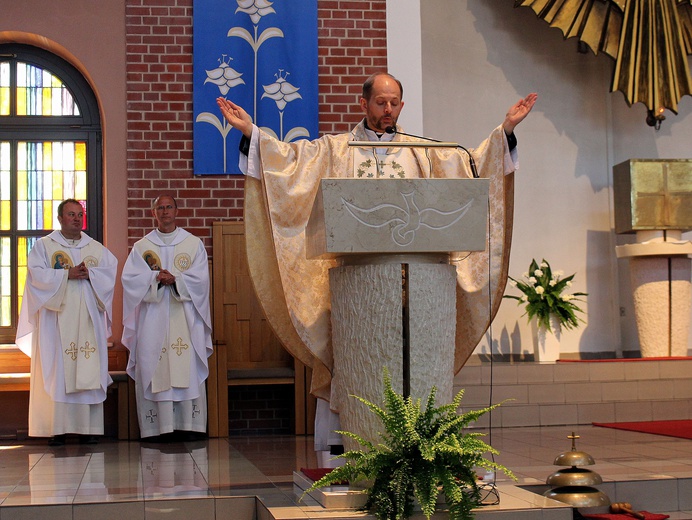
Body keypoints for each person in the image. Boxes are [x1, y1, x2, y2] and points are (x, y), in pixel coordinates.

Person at [217, 72, 536, 452]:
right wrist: (252, 132)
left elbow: (473, 166)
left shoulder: (426, 152)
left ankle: (419, 447)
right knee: (361, 363)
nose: (389, 109)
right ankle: (353, 446)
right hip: (359, 293)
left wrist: (505, 132)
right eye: (381, 102)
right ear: (364, 103)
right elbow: (288, 163)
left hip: (419, 293)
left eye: (395, 102)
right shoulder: (336, 150)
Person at [16, 199, 117, 446]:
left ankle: (89, 429)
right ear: (60, 218)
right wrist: (66, 275)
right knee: (58, 371)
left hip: (88, 321)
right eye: (71, 214)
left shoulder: (95, 249)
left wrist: (90, 273)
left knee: (88, 366)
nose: (76, 218)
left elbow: (109, 274)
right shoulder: (44, 247)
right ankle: (58, 430)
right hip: (56, 320)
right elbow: (36, 276)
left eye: (79, 214)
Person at [121, 195, 213, 441]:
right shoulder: (142, 247)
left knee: (186, 367)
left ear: (177, 210)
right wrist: (154, 279)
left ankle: (188, 426)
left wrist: (177, 280)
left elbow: (202, 281)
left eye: (168, 207)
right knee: (155, 365)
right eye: (159, 208)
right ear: (153, 213)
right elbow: (129, 281)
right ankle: (157, 430)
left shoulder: (193, 244)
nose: (164, 211)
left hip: (184, 317)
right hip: (153, 317)